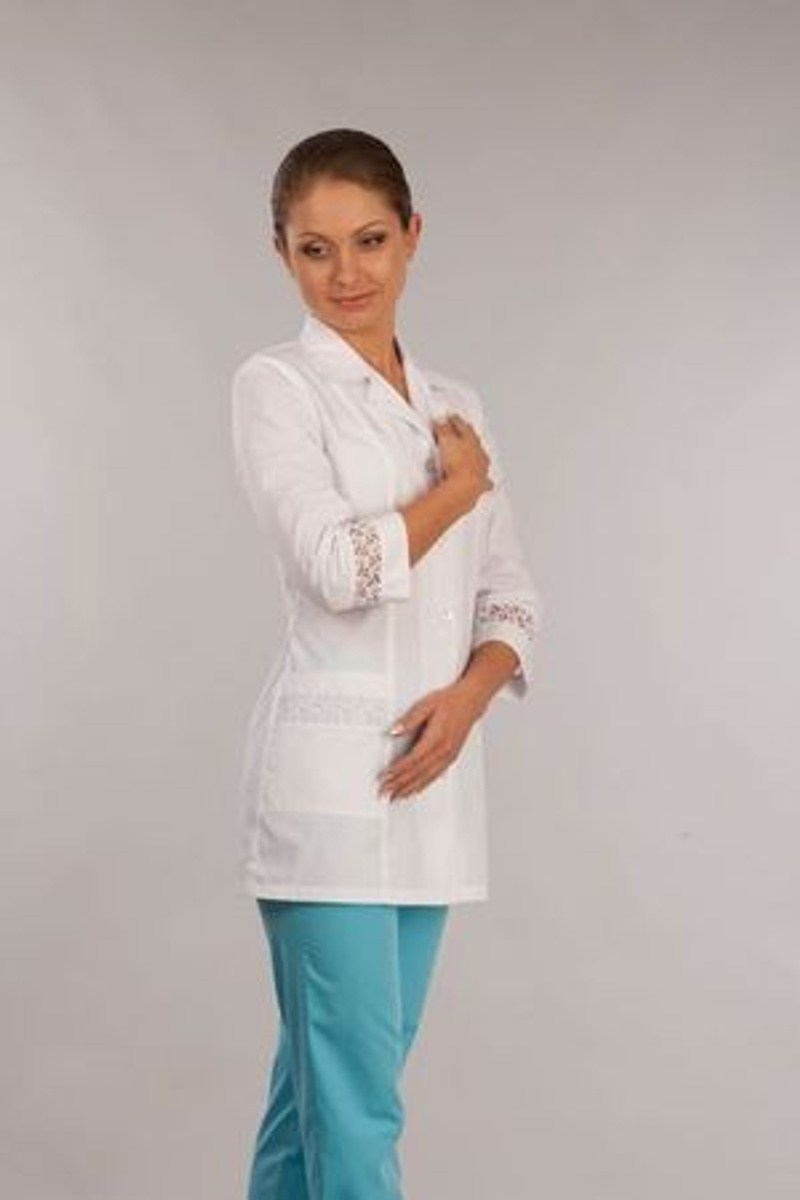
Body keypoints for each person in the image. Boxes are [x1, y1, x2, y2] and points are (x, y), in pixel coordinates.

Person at [231, 128, 544, 1200]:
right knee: (358, 1109)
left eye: (369, 240)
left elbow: (510, 595)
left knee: (315, 1104)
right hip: (329, 795)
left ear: (412, 235)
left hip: (429, 786)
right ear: (281, 253)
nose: (347, 273)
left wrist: (468, 699)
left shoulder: (456, 406)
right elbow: (335, 566)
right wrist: (456, 493)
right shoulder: (277, 386)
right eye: (314, 249)